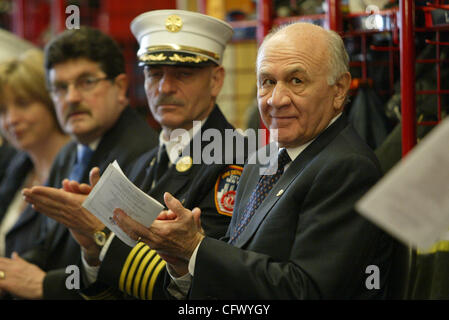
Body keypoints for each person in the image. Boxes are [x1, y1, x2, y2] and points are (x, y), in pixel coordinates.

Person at [112, 22, 396, 299]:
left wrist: (195, 248)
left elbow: (307, 289)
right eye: (268, 82)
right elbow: (236, 259)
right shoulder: (264, 158)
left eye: (297, 81)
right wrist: (181, 263)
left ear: (339, 90)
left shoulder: (347, 168)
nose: (276, 99)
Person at [22, 10, 245, 300]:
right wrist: (92, 249)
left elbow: (204, 282)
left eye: (183, 74)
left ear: (216, 80)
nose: (164, 88)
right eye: (154, 73)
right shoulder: (147, 160)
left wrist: (102, 234)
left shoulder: (235, 158)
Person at [0, 27, 158, 299]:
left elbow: (133, 275)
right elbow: (48, 242)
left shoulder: (143, 156)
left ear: (120, 87)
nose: (72, 97)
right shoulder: (71, 150)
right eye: (60, 87)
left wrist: (46, 285)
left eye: (86, 82)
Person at [0, 49, 70, 259]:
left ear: (50, 101)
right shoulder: (17, 164)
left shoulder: (79, 167)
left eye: (23, 104)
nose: (11, 119)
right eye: (2, 110)